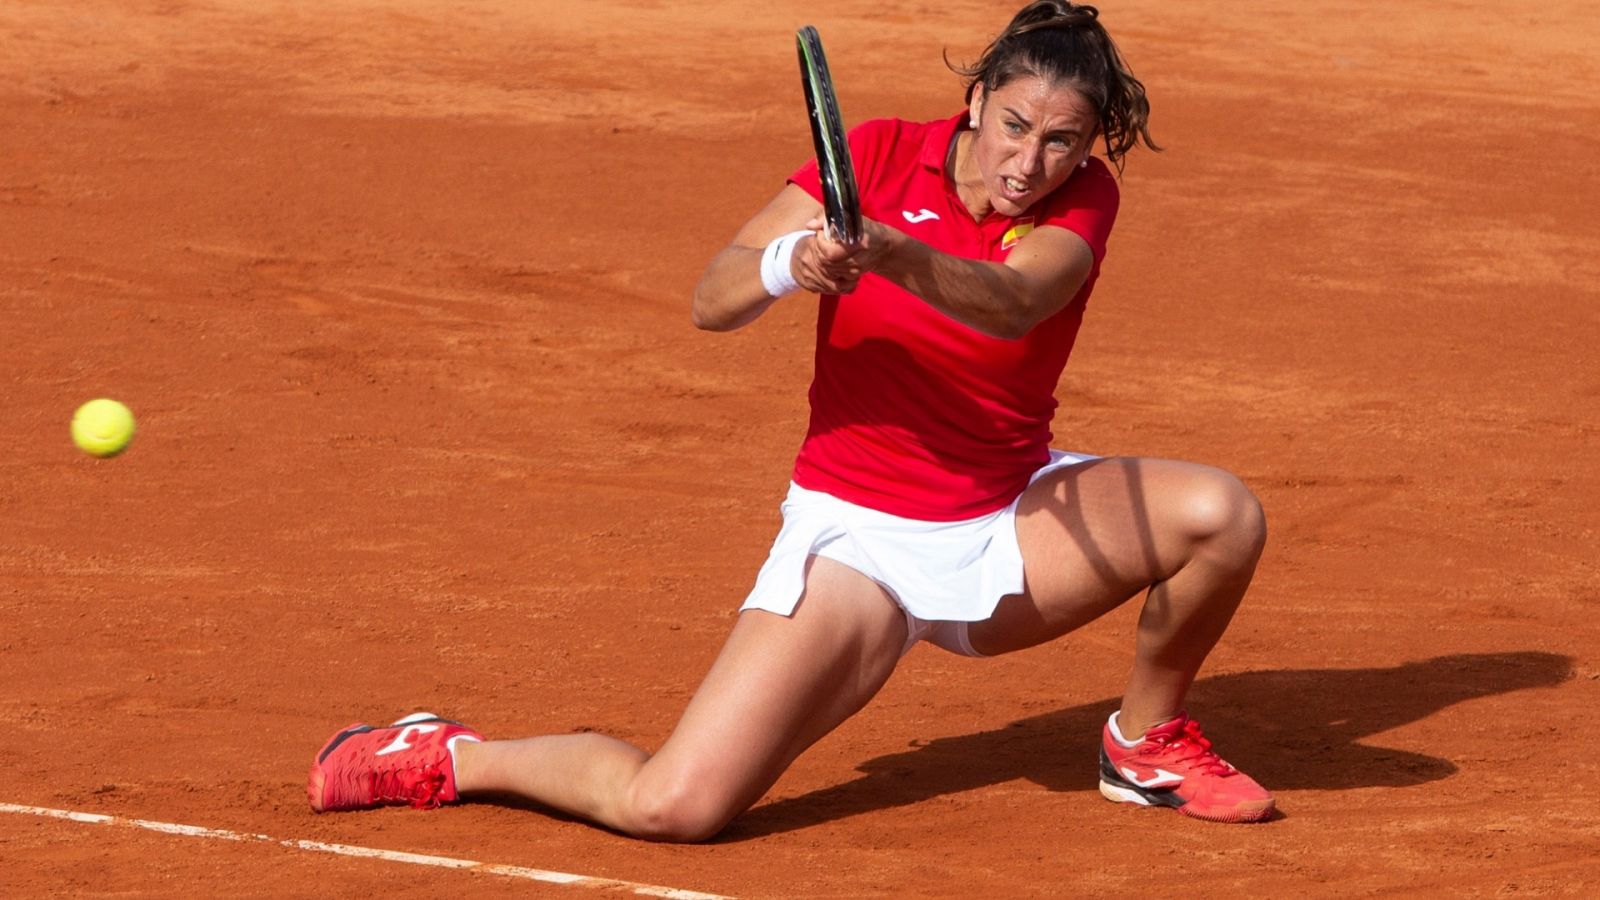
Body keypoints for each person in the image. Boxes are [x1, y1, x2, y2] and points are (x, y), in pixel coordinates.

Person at [307, 0, 1275, 837]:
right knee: (673, 807)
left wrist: (887, 254)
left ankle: (1141, 745)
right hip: (859, 543)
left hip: (1008, 518)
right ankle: (452, 755)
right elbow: (713, 296)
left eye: (1061, 140)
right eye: (1013, 124)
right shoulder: (877, 156)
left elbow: (1015, 301)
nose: (1029, 161)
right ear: (975, 100)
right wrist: (791, 264)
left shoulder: (1084, 201)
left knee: (1220, 516)